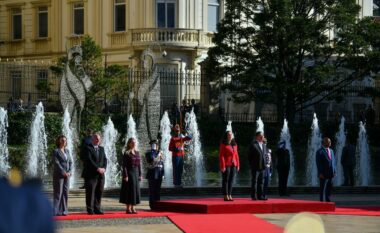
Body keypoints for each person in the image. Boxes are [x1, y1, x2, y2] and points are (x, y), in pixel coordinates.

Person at [82, 133, 107, 215]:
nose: (98, 140)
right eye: (96, 138)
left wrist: (104, 168)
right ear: (92, 139)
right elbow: (89, 160)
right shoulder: (87, 148)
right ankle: (90, 209)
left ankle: (97, 208)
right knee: (91, 192)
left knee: (99, 191)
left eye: (99, 138)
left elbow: (105, 160)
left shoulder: (102, 149)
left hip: (101, 174)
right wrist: (97, 168)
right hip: (91, 174)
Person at [119, 138, 141, 214]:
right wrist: (125, 175)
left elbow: (139, 165)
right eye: (132, 142)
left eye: (135, 142)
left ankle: (133, 207)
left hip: (136, 173)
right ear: (129, 144)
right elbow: (124, 166)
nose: (134, 144)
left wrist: (140, 174)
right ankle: (128, 208)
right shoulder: (126, 153)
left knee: (135, 190)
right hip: (129, 173)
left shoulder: (137, 152)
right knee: (129, 190)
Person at [52, 135, 72, 216]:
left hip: (67, 175)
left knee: (65, 192)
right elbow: (56, 163)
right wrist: (63, 172)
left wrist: (70, 171)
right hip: (59, 175)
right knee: (58, 193)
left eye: (65, 140)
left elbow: (70, 162)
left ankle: (64, 210)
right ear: (59, 141)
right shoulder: (56, 151)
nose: (64, 141)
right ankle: (56, 211)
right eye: (62, 140)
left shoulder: (67, 151)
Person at [219, 131, 240, 201]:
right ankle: (225, 195)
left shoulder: (234, 144)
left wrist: (238, 165)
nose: (230, 136)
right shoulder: (223, 144)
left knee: (231, 180)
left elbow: (236, 155)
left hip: (234, 164)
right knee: (226, 180)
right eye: (229, 135)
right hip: (227, 164)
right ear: (226, 136)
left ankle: (230, 194)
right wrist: (223, 166)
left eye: (231, 134)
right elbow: (221, 156)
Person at [247, 131, 268, 200]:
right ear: (257, 137)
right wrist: (252, 165)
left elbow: (265, 155)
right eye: (260, 136)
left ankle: (260, 196)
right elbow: (249, 156)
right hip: (255, 167)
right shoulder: (253, 145)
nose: (262, 137)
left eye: (263, 136)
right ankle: (254, 196)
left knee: (261, 182)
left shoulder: (264, 145)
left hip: (263, 167)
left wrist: (266, 164)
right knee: (254, 182)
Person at [145, 139, 165, 209]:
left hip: (159, 174)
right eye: (155, 144)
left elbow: (162, 164)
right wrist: (154, 152)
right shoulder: (149, 153)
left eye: (157, 144)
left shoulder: (160, 153)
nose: (156, 146)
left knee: (158, 190)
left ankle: (158, 204)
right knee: (152, 191)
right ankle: (152, 205)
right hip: (152, 174)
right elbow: (151, 160)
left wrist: (163, 173)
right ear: (151, 145)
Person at [316, 137, 336, 202]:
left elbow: (333, 162)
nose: (330, 143)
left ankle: (328, 199)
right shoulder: (319, 151)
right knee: (322, 188)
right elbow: (318, 163)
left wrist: (334, 171)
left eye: (330, 141)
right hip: (323, 173)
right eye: (328, 141)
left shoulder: (332, 151)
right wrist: (320, 173)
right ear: (324, 143)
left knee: (329, 187)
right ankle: (321, 201)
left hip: (331, 173)